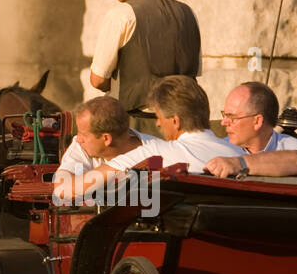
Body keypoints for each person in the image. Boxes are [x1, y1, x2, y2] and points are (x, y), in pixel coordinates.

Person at [89, 0, 201, 136]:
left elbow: (97, 80)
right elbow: (192, 72)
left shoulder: (121, 15)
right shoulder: (187, 12)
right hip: (182, 130)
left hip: (135, 129)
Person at [66, 75, 241, 200]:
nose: (157, 124)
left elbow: (73, 188)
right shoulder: (240, 155)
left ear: (175, 121)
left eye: (159, 117)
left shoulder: (155, 152)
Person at [52, 97, 158, 202]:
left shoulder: (158, 153)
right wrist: (116, 168)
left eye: (83, 134)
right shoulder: (82, 146)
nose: (78, 138)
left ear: (106, 139)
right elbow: (62, 187)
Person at [220, 81, 297, 154]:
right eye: (225, 115)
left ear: (257, 121)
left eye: (232, 117)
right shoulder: (218, 151)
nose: (223, 122)